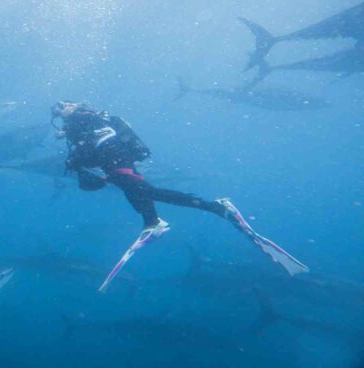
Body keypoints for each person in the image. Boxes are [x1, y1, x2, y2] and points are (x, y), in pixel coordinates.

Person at [49, 100, 309, 293]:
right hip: (115, 159)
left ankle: (216, 207)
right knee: (134, 189)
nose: (62, 110)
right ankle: (152, 223)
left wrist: (73, 157)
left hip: (113, 156)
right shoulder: (86, 120)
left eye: (63, 106)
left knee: (145, 190)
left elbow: (88, 152)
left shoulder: (82, 119)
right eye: (60, 109)